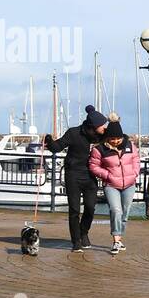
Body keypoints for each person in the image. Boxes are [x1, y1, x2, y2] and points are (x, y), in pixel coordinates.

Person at [45, 105, 108, 252]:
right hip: (73, 174)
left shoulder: (102, 136)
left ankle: (84, 232)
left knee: (90, 207)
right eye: (102, 125)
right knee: (74, 209)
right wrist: (49, 141)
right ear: (93, 126)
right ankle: (76, 240)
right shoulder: (74, 133)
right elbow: (57, 147)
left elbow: (119, 138)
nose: (104, 127)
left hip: (90, 176)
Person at [88, 113, 141, 255]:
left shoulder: (130, 146)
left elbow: (136, 160)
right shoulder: (99, 149)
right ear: (107, 137)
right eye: (113, 138)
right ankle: (116, 240)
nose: (116, 141)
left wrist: (135, 173)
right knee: (116, 210)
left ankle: (120, 237)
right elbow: (93, 166)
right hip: (111, 185)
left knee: (125, 212)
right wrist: (107, 176)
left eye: (118, 138)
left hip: (129, 184)